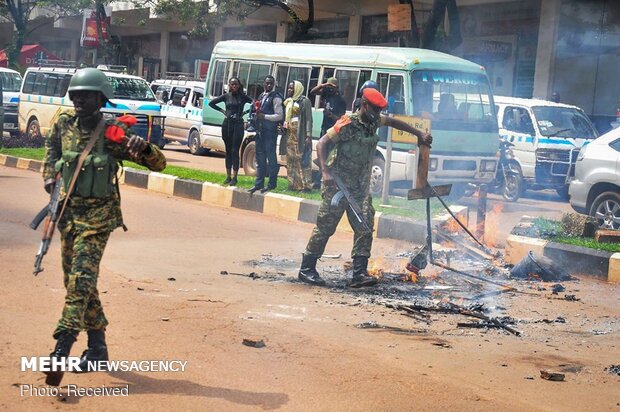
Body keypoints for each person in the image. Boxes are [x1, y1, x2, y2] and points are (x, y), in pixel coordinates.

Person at [41, 68, 166, 386]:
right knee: (78, 281)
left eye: (88, 95)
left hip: (98, 220)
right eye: (76, 95)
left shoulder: (111, 133)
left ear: (101, 99)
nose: (80, 100)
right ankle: (97, 347)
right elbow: (51, 152)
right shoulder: (63, 124)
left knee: (81, 280)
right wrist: (49, 178)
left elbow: (158, 163)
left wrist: (144, 146)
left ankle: (62, 348)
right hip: (68, 216)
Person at [298, 88, 432, 288]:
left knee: (365, 226)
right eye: (375, 110)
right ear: (364, 105)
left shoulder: (374, 121)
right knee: (325, 227)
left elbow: (394, 122)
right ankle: (306, 269)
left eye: (380, 111)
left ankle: (359, 274)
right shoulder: (347, 123)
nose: (378, 115)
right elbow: (322, 144)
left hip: (360, 189)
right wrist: (325, 172)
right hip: (338, 185)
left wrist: (419, 133)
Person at [208, 77, 253, 186]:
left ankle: (235, 176)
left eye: (236, 84)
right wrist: (223, 111)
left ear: (239, 85)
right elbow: (212, 103)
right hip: (227, 124)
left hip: (238, 124)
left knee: (234, 150)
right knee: (228, 150)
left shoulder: (242, 97)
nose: (234, 86)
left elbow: (254, 103)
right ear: (229, 85)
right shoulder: (226, 96)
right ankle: (228, 176)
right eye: (232, 84)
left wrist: (246, 112)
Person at [248, 75, 284, 194]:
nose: (268, 85)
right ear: (263, 84)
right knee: (260, 159)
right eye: (267, 83)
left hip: (270, 132)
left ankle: (272, 184)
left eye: (271, 84)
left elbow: (279, 115)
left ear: (273, 85)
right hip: (260, 132)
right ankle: (258, 184)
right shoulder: (261, 96)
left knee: (271, 159)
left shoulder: (276, 97)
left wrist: (265, 117)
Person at [283, 80, 313, 191]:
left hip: (300, 133)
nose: (289, 90)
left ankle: (306, 186)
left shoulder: (304, 101)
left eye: (292, 88)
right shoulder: (289, 101)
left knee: (302, 160)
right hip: (289, 132)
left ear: (297, 89)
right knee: (291, 159)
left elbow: (309, 119)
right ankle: (293, 185)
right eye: (289, 88)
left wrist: (308, 135)